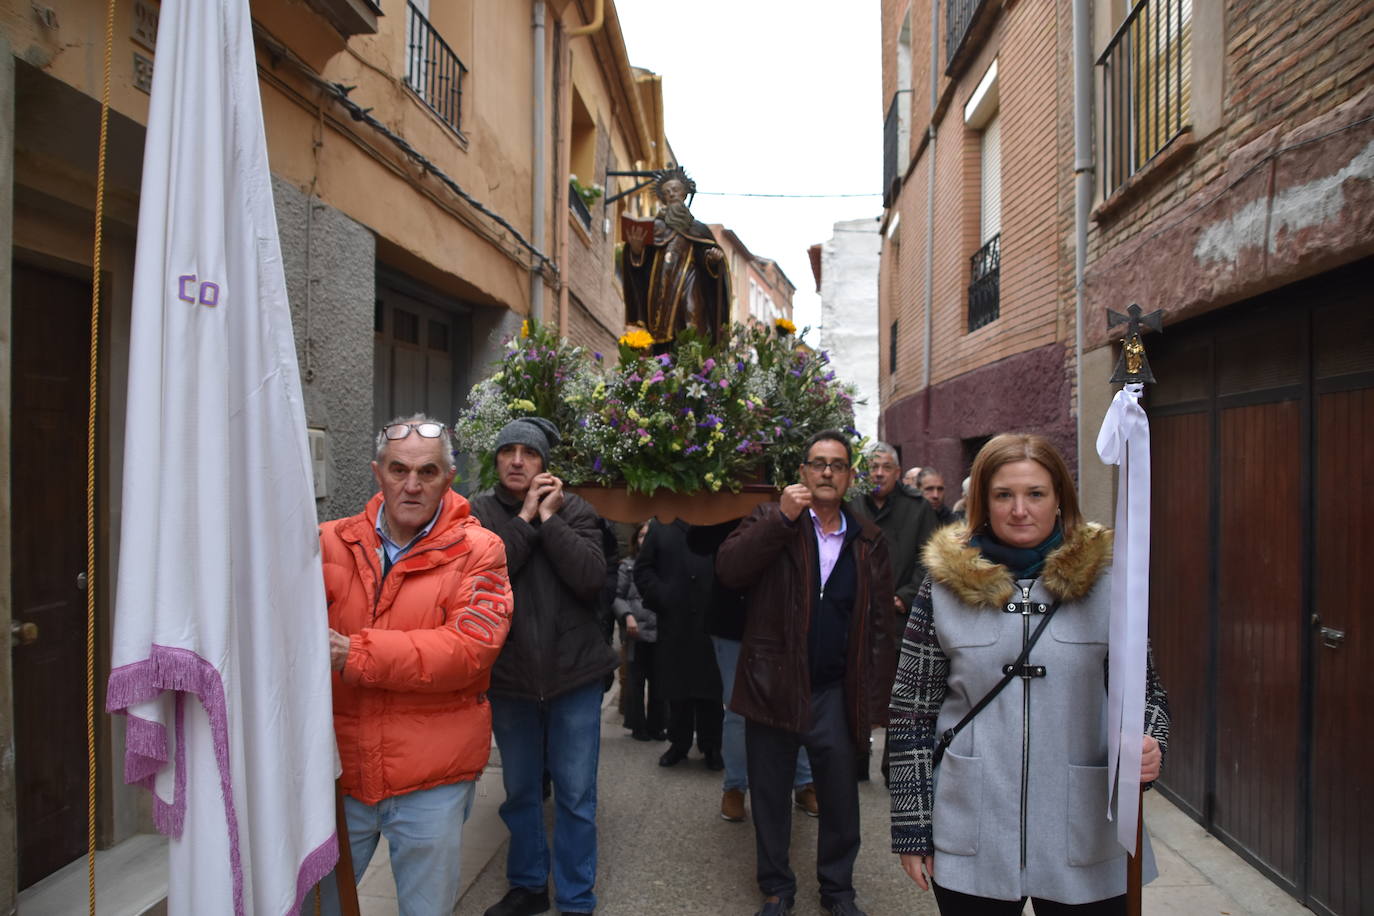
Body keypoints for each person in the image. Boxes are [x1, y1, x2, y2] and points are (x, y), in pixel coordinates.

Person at [888, 433, 1171, 915]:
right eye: (1004, 495)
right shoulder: (942, 589)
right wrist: (912, 828)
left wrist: (1151, 741)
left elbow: (1148, 694)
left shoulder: (1110, 585)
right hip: (972, 828)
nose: (1020, 509)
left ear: (1060, 500)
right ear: (983, 503)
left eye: (1035, 494)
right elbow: (911, 714)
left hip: (1085, 829)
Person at [319, 415, 513, 916]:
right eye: (398, 469)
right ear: (377, 472)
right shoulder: (327, 543)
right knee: (314, 908)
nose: (411, 484)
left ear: (449, 478)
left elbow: (469, 650)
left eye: (427, 472)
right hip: (340, 773)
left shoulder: (481, 550)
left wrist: (354, 653)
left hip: (433, 779)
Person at [717, 430, 897, 916]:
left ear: (849, 477)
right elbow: (731, 569)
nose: (826, 472)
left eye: (836, 465)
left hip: (834, 692)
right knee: (771, 798)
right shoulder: (772, 520)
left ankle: (838, 892)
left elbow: (880, 624)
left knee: (841, 799)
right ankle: (777, 889)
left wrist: (877, 701)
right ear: (801, 473)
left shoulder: (868, 541)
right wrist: (780, 518)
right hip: (772, 686)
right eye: (817, 463)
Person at [470, 417, 618, 916]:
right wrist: (527, 517)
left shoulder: (576, 510)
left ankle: (576, 897)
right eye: (507, 451)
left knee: (576, 793)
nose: (517, 460)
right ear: (495, 460)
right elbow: (484, 576)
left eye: (528, 453)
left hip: (572, 674)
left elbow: (590, 578)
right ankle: (529, 884)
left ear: (543, 463)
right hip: (510, 678)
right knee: (520, 790)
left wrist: (550, 520)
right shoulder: (479, 514)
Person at [702, 521, 820, 823]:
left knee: (796, 699)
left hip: (785, 618)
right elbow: (699, 541)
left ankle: (803, 782)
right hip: (733, 620)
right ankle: (735, 787)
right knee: (736, 709)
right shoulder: (723, 501)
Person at [859, 442, 938, 785]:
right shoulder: (852, 502)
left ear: (898, 471)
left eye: (886, 467)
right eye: (873, 467)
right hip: (856, 613)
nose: (878, 473)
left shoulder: (917, 508)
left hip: (900, 615)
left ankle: (894, 766)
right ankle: (855, 762)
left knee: (899, 693)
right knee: (858, 686)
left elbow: (929, 559)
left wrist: (904, 598)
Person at [635, 519, 725, 770]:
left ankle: (712, 746)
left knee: (711, 691)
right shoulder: (661, 525)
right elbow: (643, 570)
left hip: (711, 622)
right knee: (677, 689)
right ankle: (679, 743)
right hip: (675, 622)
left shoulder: (718, 522)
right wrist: (663, 595)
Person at [621, 167, 731, 345]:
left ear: (685, 192)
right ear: (662, 197)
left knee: (692, 316)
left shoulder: (699, 229)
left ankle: (694, 363)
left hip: (690, 279)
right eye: (667, 191)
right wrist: (636, 250)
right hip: (661, 284)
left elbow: (710, 263)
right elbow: (639, 268)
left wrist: (713, 260)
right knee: (661, 330)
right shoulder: (654, 227)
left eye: (676, 189)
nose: (671, 194)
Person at [615, 521, 666, 742]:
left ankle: (658, 726)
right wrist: (627, 616)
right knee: (635, 680)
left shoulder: (666, 567)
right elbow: (617, 596)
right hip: (636, 632)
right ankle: (637, 725)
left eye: (649, 535)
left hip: (661, 633)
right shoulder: (626, 566)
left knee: (660, 681)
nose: (645, 540)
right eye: (642, 535)